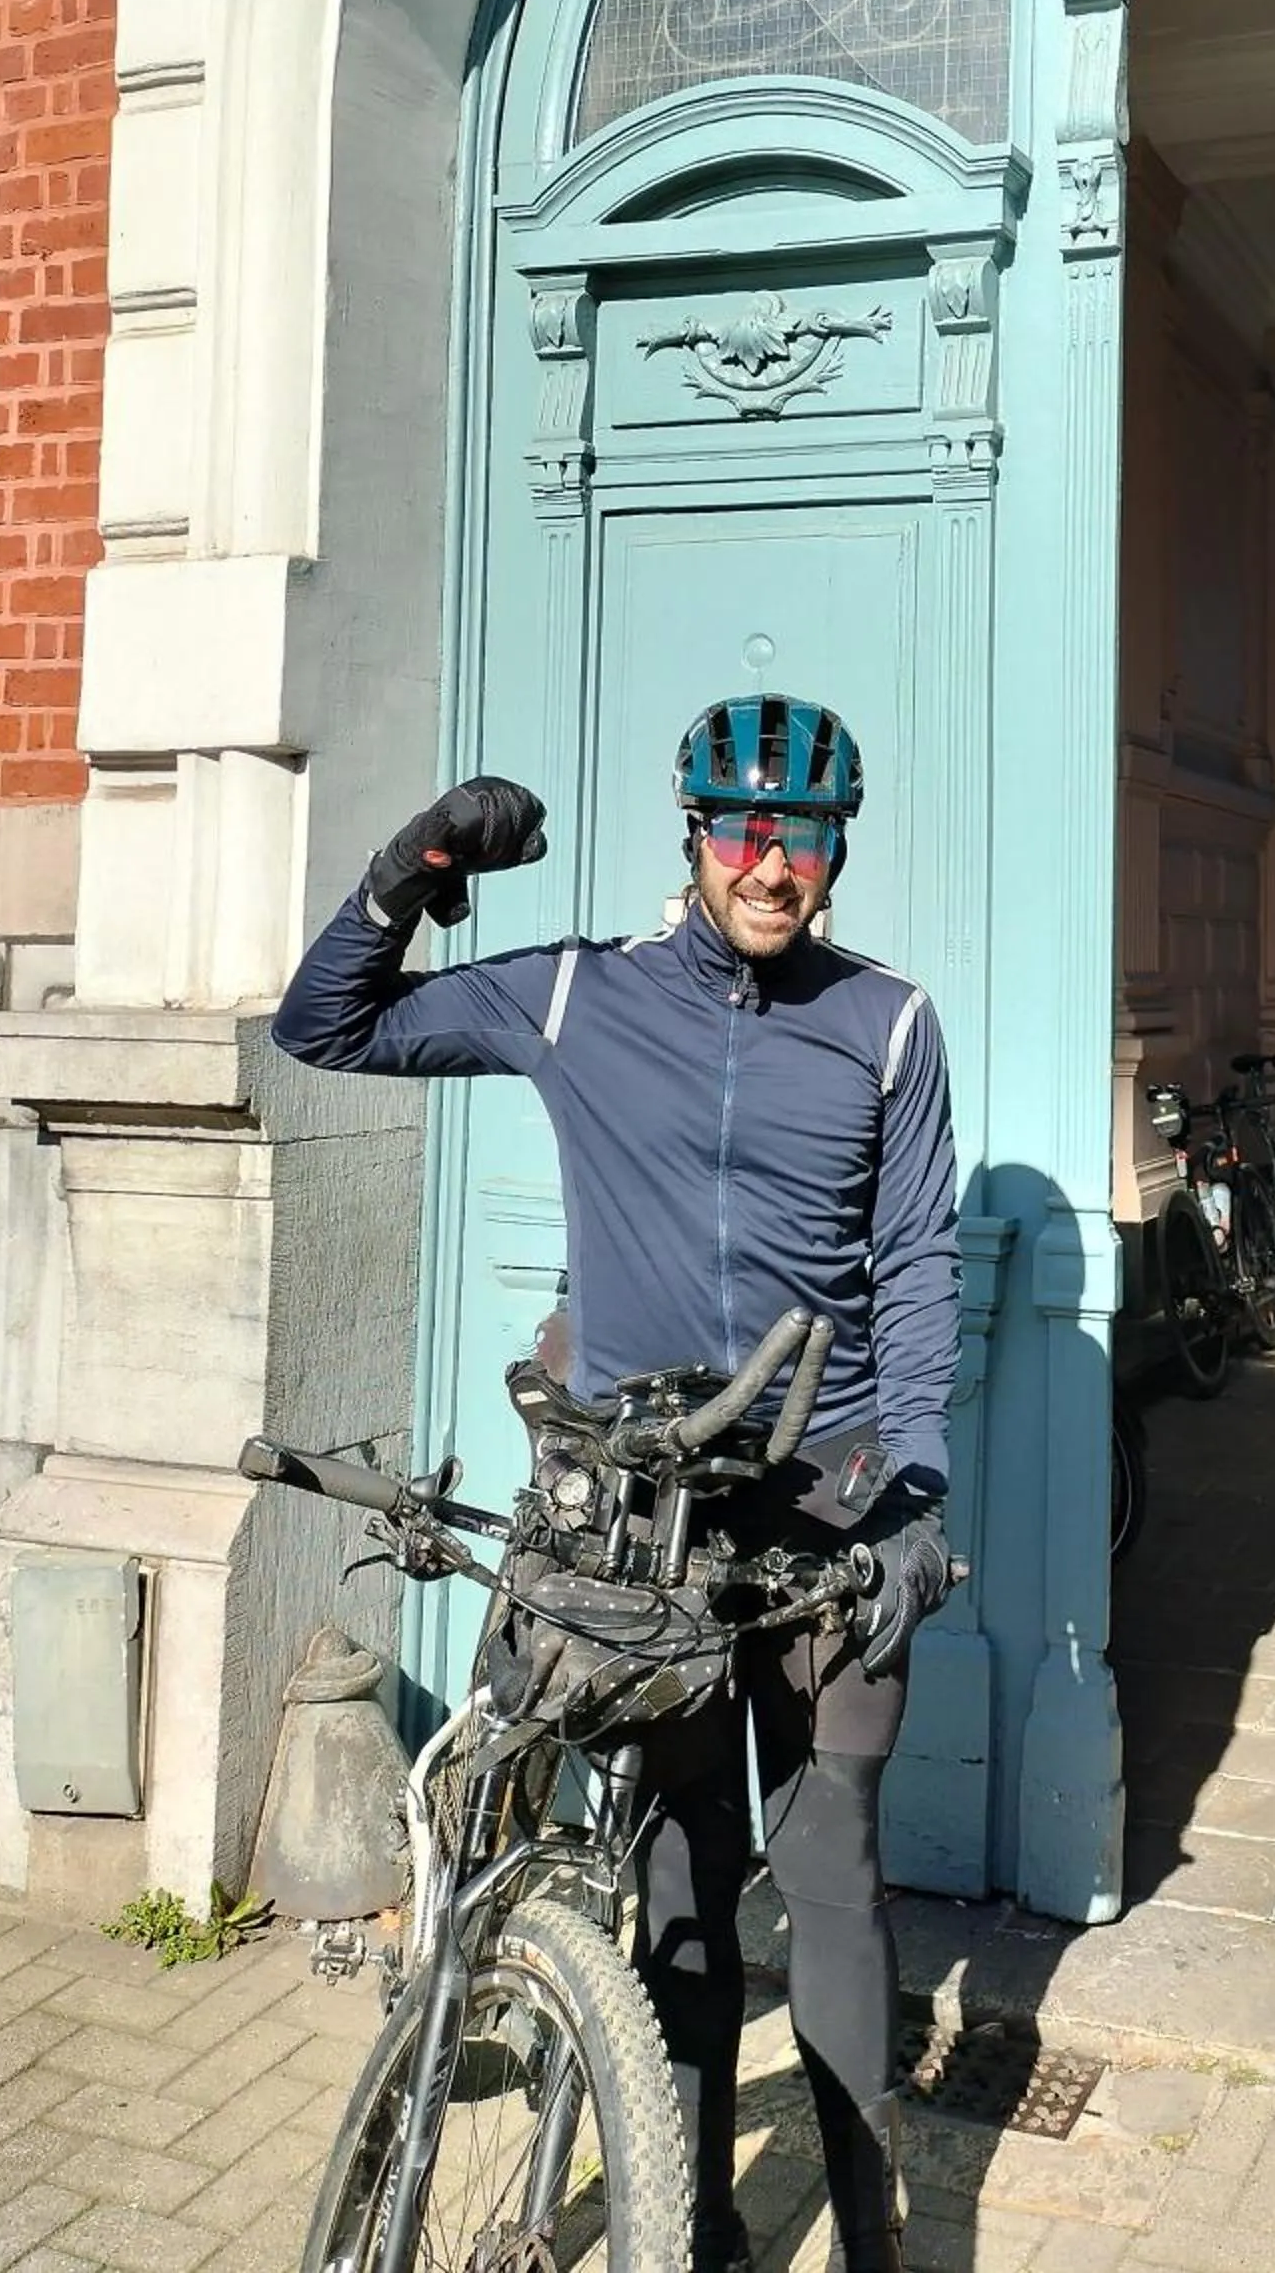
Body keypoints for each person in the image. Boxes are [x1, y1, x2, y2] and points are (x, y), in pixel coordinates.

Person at [271, 692, 962, 2273]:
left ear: (837, 847)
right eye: (739, 827)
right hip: (643, 1515)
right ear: (694, 837)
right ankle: (691, 2224)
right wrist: (410, 872)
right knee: (679, 1880)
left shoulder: (892, 1025)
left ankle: (877, 2249)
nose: (769, 862)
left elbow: (917, 1263)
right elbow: (323, 1028)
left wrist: (917, 1493)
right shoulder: (581, 996)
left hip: (825, 1510)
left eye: (800, 833)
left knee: (833, 1867)